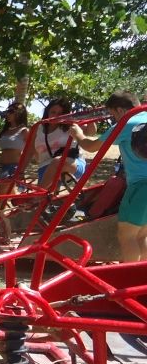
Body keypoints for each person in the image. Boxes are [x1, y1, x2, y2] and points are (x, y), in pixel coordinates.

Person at [70, 91, 147, 262]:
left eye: (113, 115)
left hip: (141, 186)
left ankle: (130, 278)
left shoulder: (127, 123)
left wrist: (78, 134)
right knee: (141, 234)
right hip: (141, 186)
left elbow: (91, 147)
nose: (114, 119)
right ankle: (141, 279)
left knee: (127, 235)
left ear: (119, 110)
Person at [29, 98, 87, 190]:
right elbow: (29, 150)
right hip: (45, 166)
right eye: (53, 112)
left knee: (57, 162)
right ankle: (42, 197)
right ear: (47, 112)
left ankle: (37, 195)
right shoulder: (38, 127)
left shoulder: (70, 125)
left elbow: (91, 131)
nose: (56, 116)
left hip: (70, 164)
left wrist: (91, 116)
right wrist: (19, 172)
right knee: (48, 200)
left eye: (60, 114)